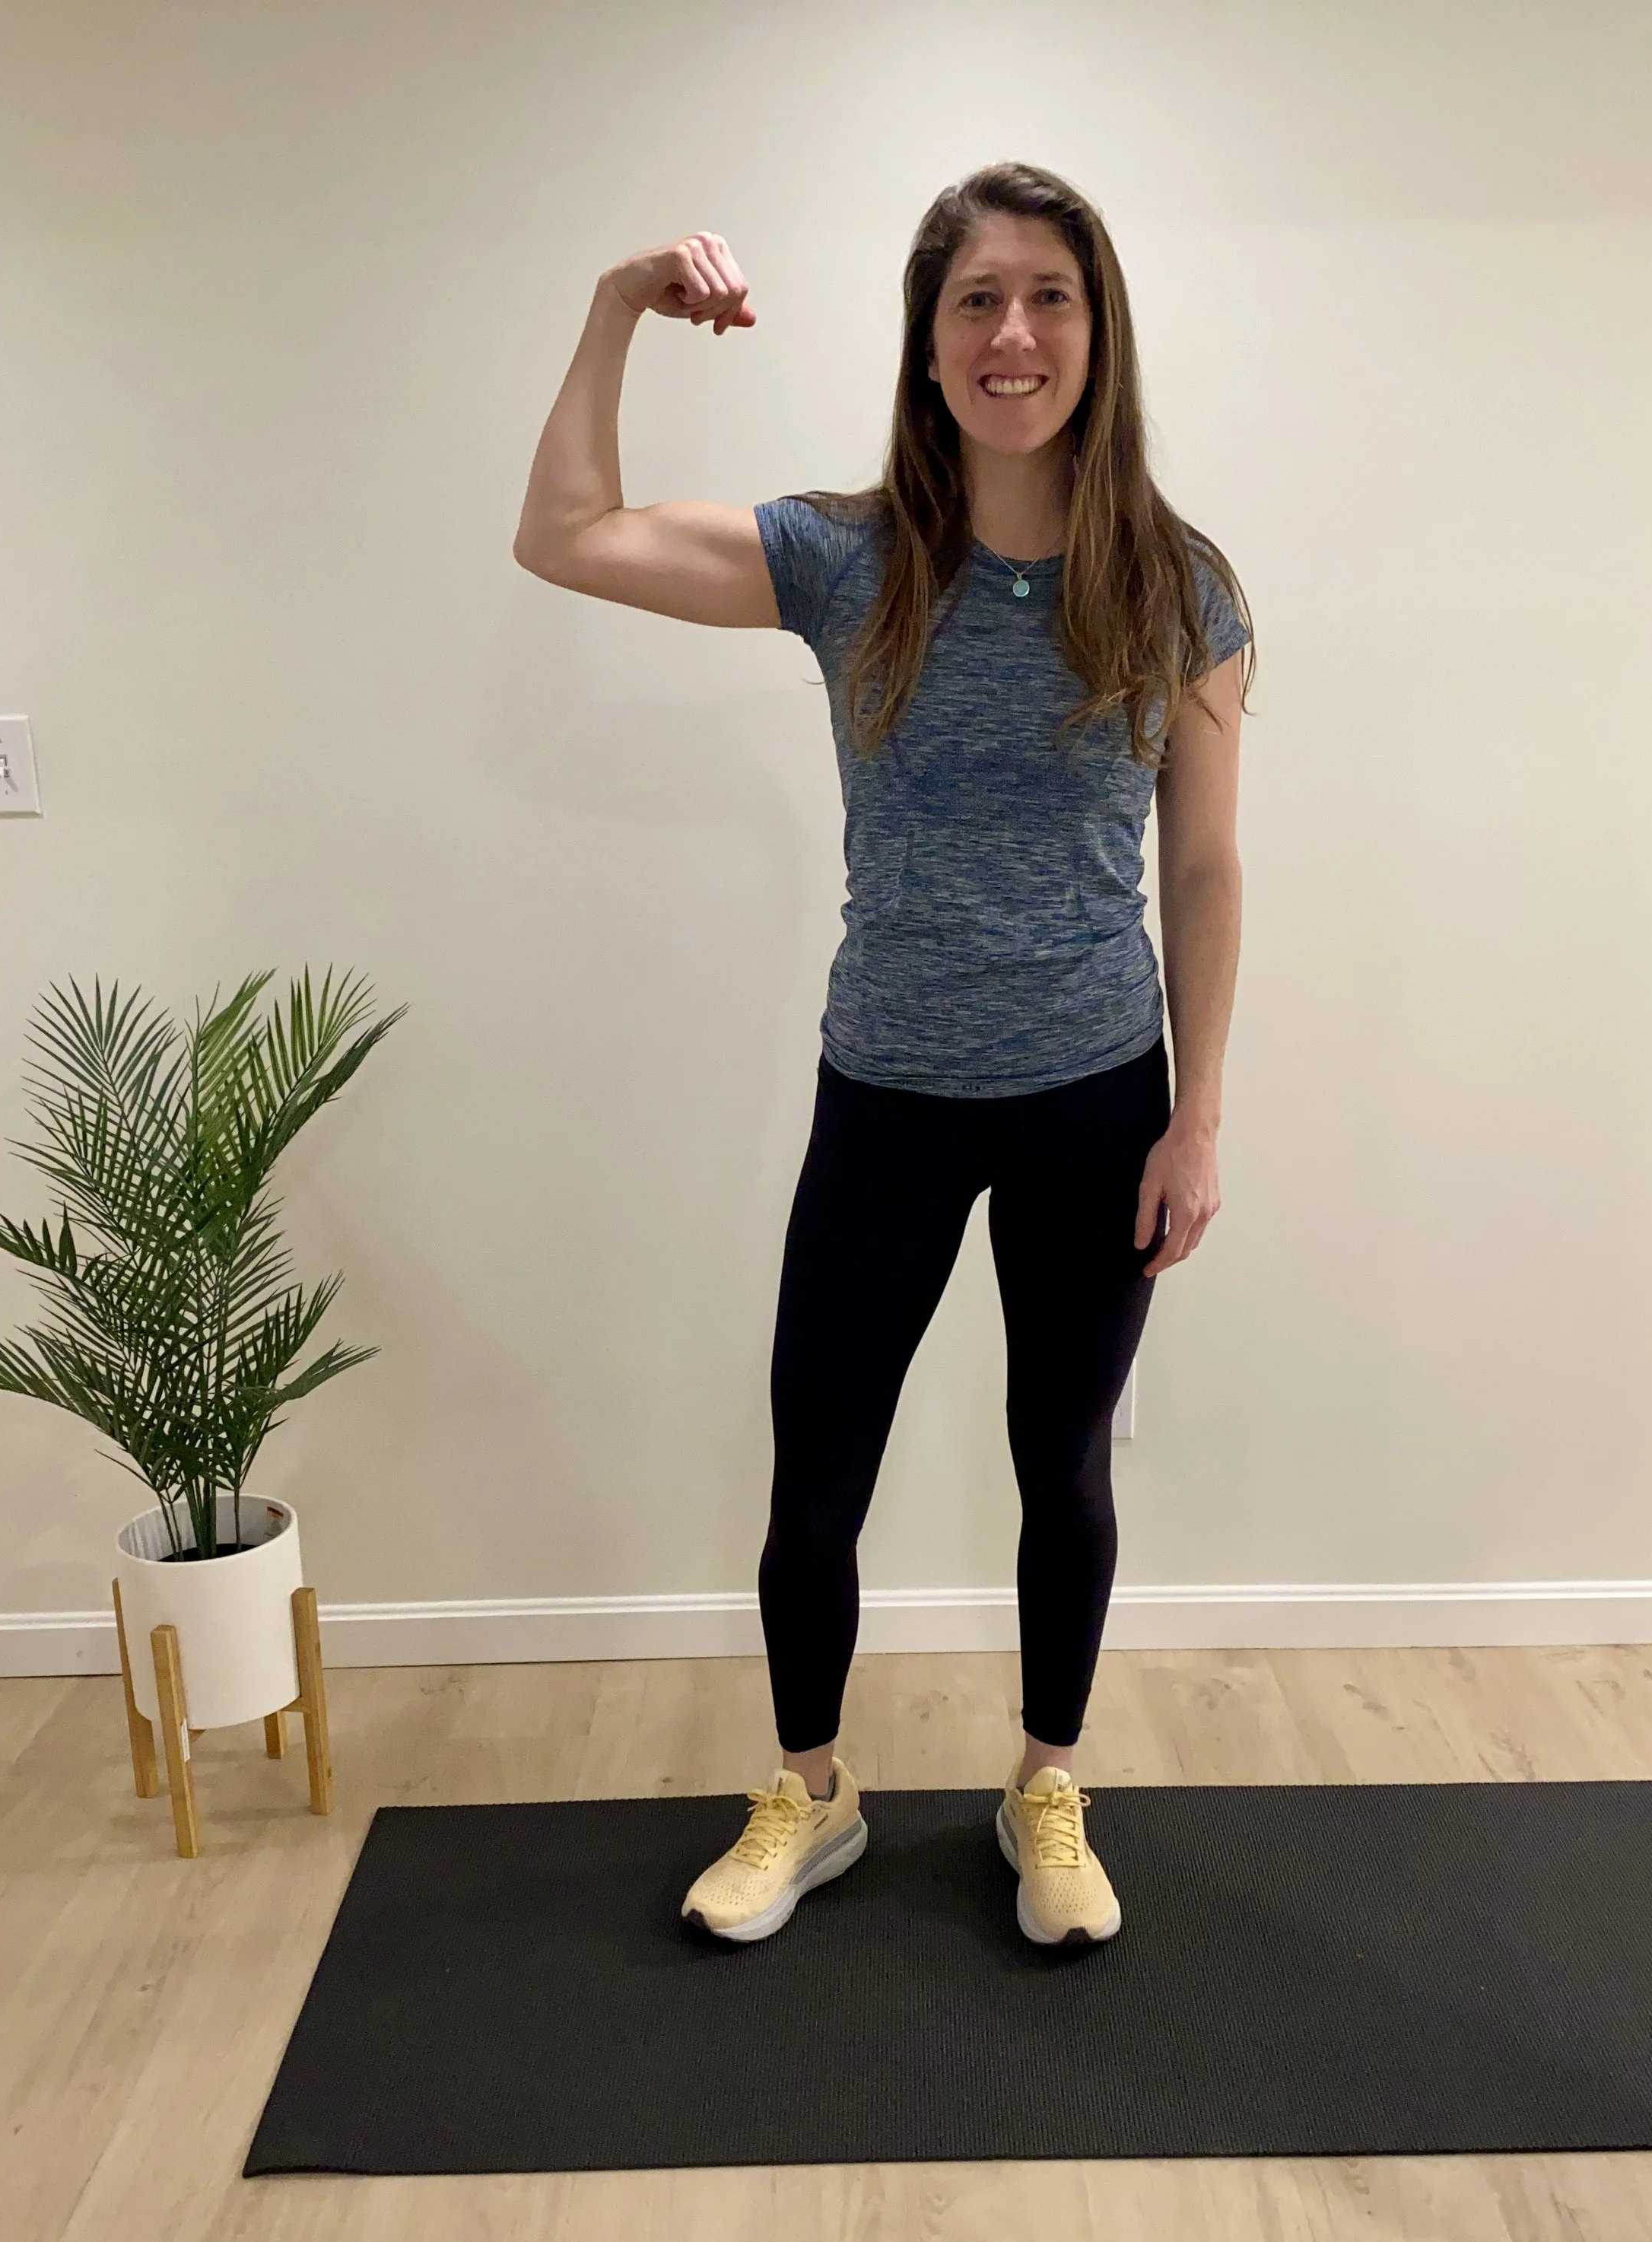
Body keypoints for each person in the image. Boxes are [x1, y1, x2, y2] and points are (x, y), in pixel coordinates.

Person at [513, 161, 1252, 1950]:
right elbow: (564, 534)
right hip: (890, 1094)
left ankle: (1043, 1787)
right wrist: (615, 308)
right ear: (928, 348)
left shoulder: (1177, 585)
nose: (1013, 333)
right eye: (975, 301)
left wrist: (1199, 1117)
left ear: (1098, 332)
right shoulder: (843, 561)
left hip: (1095, 1097)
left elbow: (1208, 863)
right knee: (816, 1462)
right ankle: (810, 1793)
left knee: (1058, 1459)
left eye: (1048, 297)